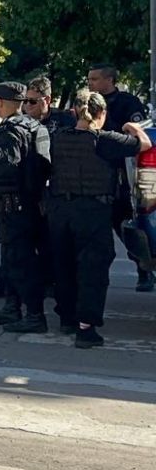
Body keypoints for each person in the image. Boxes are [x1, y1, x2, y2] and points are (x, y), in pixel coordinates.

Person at [47, 89, 151, 348]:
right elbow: (145, 144)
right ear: (101, 114)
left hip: (60, 210)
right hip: (93, 212)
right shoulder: (106, 140)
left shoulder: (57, 138)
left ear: (74, 112)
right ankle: (86, 328)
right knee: (92, 270)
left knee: (64, 266)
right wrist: (132, 126)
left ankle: (68, 318)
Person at [0, 82, 51, 331]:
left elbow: (6, 170)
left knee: (19, 260)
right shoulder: (35, 126)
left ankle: (33, 316)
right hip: (34, 202)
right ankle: (12, 307)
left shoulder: (8, 131)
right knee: (17, 259)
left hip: (13, 205)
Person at [87, 65, 152, 292]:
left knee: (126, 227)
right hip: (93, 177)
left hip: (122, 176)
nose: (90, 83)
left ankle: (144, 270)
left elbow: (137, 134)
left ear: (110, 80)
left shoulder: (127, 102)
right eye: (89, 79)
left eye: (95, 79)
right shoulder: (87, 103)